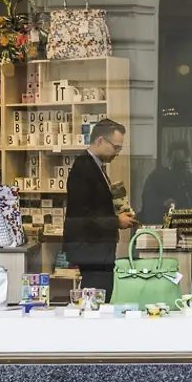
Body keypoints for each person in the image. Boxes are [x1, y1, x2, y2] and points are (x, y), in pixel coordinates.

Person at [65, 119, 139, 297]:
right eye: (116, 147)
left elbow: (95, 207)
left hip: (97, 249)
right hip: (91, 249)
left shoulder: (95, 166)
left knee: (102, 295)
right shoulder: (83, 168)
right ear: (100, 141)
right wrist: (116, 221)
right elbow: (82, 217)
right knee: (97, 299)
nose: (117, 153)